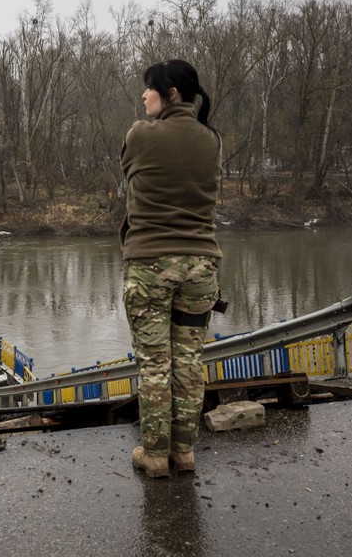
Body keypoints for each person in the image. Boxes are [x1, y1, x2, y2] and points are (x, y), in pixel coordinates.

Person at [119, 59, 222, 478]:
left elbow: (130, 173)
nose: (144, 95)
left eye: (150, 88)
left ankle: (156, 456)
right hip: (201, 267)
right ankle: (185, 453)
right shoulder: (212, 140)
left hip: (150, 266)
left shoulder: (141, 135)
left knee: (155, 364)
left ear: (172, 94)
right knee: (188, 362)